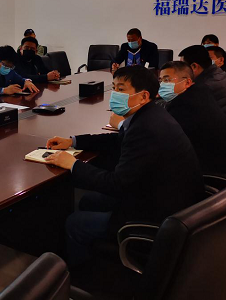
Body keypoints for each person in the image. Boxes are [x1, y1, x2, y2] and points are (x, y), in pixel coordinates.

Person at [44, 66, 203, 267]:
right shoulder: (151, 113)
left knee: (75, 223)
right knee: (88, 200)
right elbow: (117, 140)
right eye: (114, 88)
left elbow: (116, 184)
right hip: (163, 197)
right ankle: (95, 256)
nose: (115, 94)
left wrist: (74, 164)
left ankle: (82, 276)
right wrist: (73, 141)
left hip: (157, 216)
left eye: (121, 89)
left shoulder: (146, 128)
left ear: (143, 96)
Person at [158, 62, 226, 176]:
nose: (162, 85)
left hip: (213, 173)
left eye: (167, 80)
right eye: (161, 81)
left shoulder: (186, 106)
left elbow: (167, 143)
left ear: (187, 82)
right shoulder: (199, 93)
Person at [178, 45, 226, 138]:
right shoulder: (217, 72)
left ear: (194, 66)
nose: (180, 72)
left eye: (182, 67)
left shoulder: (204, 86)